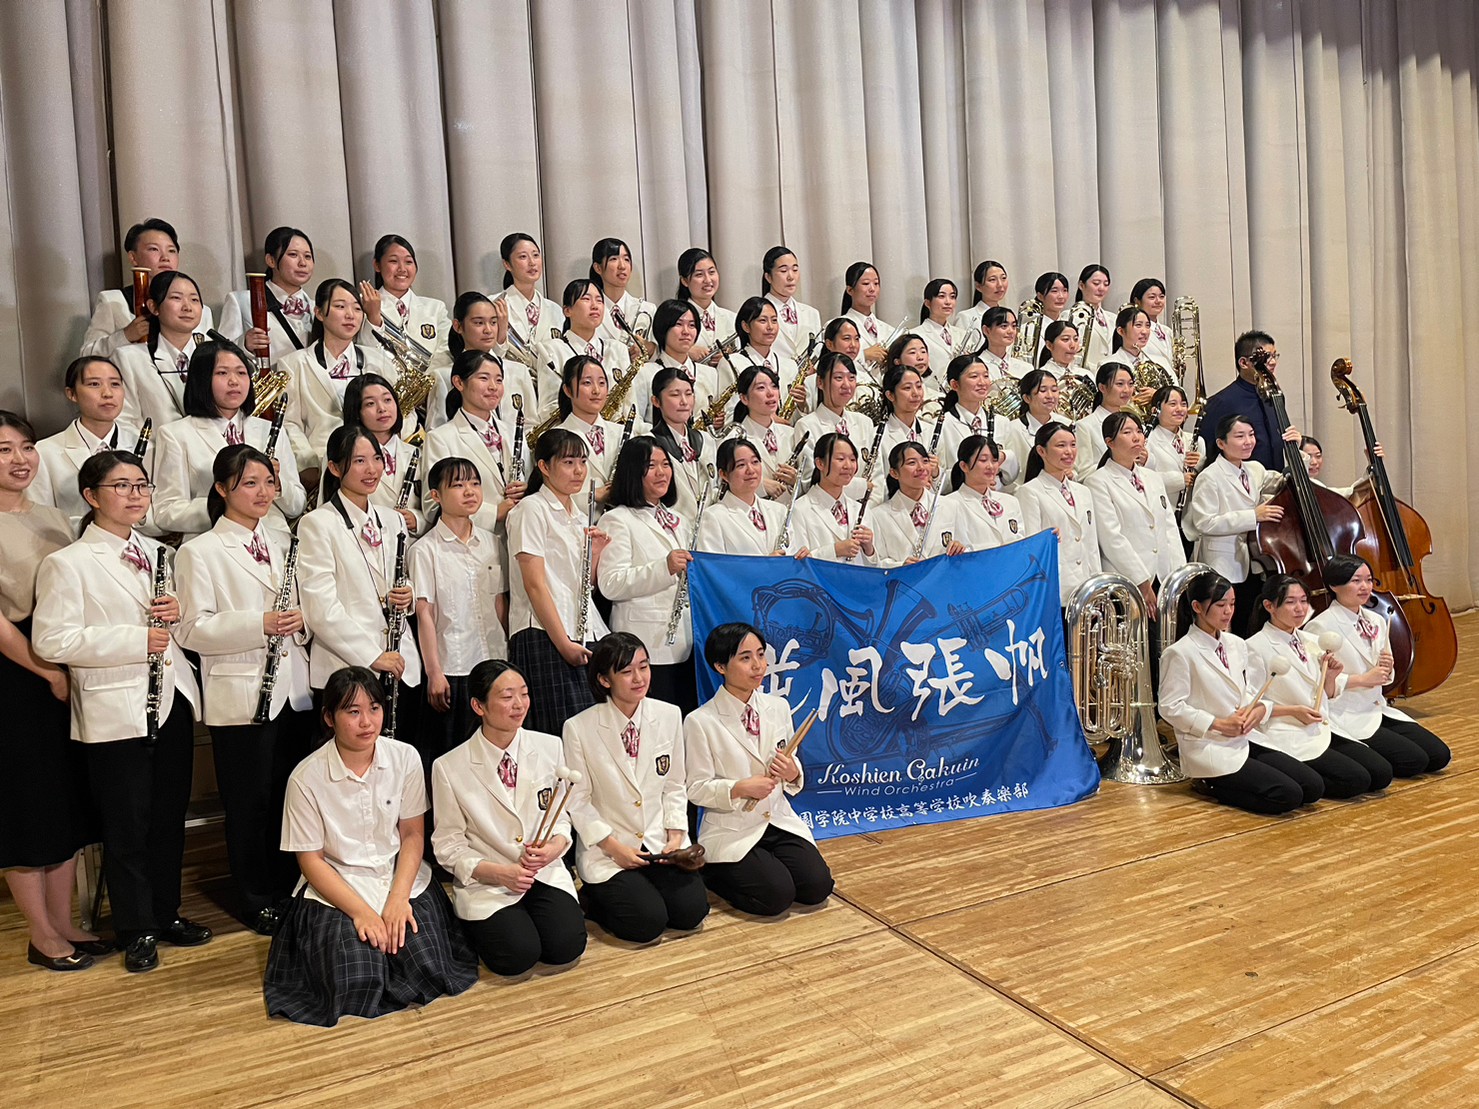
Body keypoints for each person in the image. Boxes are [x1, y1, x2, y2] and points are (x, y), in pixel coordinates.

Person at [33, 451, 207, 973]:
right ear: (91, 496)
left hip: (171, 699)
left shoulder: (160, 552)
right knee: (127, 824)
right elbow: (52, 639)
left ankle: (166, 913)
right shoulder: (68, 562)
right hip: (114, 708)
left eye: (142, 485)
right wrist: (135, 639)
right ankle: (136, 927)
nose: (136, 495)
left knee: (168, 818)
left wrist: (177, 614)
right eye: (122, 486)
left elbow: (178, 628)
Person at [265, 666, 477, 1025]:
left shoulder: (405, 757)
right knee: (357, 978)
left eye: (374, 708)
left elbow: (412, 835)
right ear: (329, 718)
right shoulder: (305, 777)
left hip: (398, 877)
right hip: (338, 885)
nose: (367, 722)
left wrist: (398, 898)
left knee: (425, 965)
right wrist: (362, 912)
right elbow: (311, 861)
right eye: (353, 711)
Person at [175, 445, 313, 936]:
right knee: (248, 803)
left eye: (268, 482)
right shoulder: (199, 551)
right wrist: (261, 623)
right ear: (222, 488)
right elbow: (191, 629)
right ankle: (256, 898)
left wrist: (301, 623)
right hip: (242, 692)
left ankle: (294, 886)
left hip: (294, 689)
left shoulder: (283, 541)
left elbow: (304, 608)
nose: (263, 492)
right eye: (249, 483)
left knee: (291, 796)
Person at [0, 412, 102, 971]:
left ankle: (66, 923)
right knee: (27, 807)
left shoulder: (53, 517)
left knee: (65, 801)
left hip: (64, 662)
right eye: (3, 450)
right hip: (16, 676)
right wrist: (46, 672)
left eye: (25, 447)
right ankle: (41, 936)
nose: (20, 459)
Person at [430, 659, 585, 976]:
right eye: (507, 696)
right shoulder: (449, 766)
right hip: (488, 880)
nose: (519, 704)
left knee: (565, 947)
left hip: (542, 872)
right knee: (516, 957)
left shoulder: (550, 746)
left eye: (524, 694)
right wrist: (498, 873)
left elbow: (561, 817)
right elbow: (448, 844)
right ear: (478, 706)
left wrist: (555, 846)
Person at [563, 634, 708, 942]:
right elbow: (578, 801)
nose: (639, 678)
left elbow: (674, 784)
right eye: (627, 671)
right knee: (646, 924)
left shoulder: (668, 714)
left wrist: (675, 836)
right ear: (604, 679)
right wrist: (614, 848)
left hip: (660, 844)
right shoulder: (579, 727)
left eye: (644, 666)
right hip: (610, 849)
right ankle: (593, 898)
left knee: (691, 913)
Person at [684, 623, 833, 917]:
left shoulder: (777, 707)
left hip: (776, 819)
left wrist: (792, 772)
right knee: (775, 898)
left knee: (817, 888)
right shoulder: (700, 721)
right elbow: (695, 788)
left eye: (761, 655)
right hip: (733, 826)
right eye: (745, 658)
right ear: (720, 666)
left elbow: (792, 766)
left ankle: (767, 865)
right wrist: (739, 788)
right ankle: (713, 872)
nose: (758, 665)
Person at [296, 426, 421, 735]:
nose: (371, 469)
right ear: (335, 468)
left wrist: (409, 595)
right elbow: (320, 606)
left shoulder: (393, 519)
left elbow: (402, 577)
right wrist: (371, 655)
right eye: (359, 461)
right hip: (346, 670)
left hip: (401, 665)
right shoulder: (317, 523)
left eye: (377, 459)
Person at [1157, 572, 1306, 814]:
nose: (1228, 612)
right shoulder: (1179, 652)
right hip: (1210, 744)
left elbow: (1245, 691)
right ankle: (1210, 785)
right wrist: (1217, 724)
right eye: (1220, 605)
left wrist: (1258, 709)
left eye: (1233, 604)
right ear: (1197, 607)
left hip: (1245, 737)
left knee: (1310, 786)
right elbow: (1170, 707)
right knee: (1288, 796)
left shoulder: (1236, 643)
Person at [1245, 575, 1393, 799]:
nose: (1300, 608)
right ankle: (1299, 775)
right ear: (1269, 606)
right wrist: (1292, 711)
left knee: (1381, 773)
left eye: (1304, 601)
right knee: (1355, 781)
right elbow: (1251, 702)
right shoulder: (1254, 647)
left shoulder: (1313, 641)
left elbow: (1328, 694)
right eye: (1290, 602)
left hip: (1323, 726)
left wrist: (1331, 678)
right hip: (1289, 729)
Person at [1307, 555, 1451, 777]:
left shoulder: (1377, 620)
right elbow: (1317, 683)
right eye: (1356, 581)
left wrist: (1388, 668)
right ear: (1334, 585)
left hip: (1376, 707)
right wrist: (1362, 680)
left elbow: (1384, 673)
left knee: (1439, 756)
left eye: (1369, 580)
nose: (1365, 587)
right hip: (1347, 712)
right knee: (1414, 761)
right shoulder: (1320, 626)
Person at [507, 429, 610, 736]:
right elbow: (534, 584)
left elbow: (584, 586)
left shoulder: (579, 516)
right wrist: (563, 643)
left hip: (583, 630)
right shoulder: (531, 509)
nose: (578, 470)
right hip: (544, 632)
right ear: (544, 466)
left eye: (582, 462)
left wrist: (596, 553)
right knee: (559, 733)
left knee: (591, 733)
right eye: (568, 462)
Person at [151, 340, 307, 543]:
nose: (234, 381)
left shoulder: (270, 430)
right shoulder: (175, 434)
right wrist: (229, 506)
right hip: (213, 545)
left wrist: (277, 483)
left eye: (241, 373)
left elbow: (297, 506)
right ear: (202, 379)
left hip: (274, 542)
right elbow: (166, 511)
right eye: (222, 373)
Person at [411, 456, 507, 762]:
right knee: (455, 758)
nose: (470, 491)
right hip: (454, 668)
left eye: (475, 483)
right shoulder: (424, 550)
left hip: (495, 662)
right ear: (436, 495)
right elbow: (425, 614)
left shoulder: (493, 543)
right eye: (458, 485)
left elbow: (500, 604)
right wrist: (434, 672)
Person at [596, 437, 699, 712]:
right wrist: (664, 568)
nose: (662, 472)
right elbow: (610, 583)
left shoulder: (680, 521)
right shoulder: (616, 519)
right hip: (645, 645)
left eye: (665, 464)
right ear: (633, 471)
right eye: (651, 466)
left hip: (686, 642)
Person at [1183, 413, 1289, 633]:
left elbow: (1286, 481)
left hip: (1253, 560)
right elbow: (1204, 522)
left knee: (1249, 622)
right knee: (1226, 626)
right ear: (1221, 443)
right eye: (1240, 436)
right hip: (1223, 561)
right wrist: (1252, 516)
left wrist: (1295, 449)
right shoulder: (1209, 476)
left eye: (1251, 435)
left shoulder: (1255, 469)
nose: (1248, 441)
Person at [278, 278, 395, 471]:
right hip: (321, 465)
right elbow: (289, 423)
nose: (350, 315)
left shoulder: (378, 360)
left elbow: (400, 412)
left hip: (374, 464)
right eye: (340, 306)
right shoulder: (293, 364)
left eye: (357, 308)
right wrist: (309, 464)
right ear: (319, 313)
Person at [31, 356, 154, 532]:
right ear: (71, 394)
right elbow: (40, 518)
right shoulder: (44, 452)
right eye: (94, 384)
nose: (108, 393)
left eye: (115, 384)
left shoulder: (148, 446)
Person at [1083, 412, 1186, 618]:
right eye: (1127, 432)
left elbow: (1169, 526)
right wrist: (1142, 581)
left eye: (1139, 431)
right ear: (1109, 442)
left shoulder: (1153, 477)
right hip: (1126, 580)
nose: (1136, 437)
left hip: (1162, 575)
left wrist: (1179, 574)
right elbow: (1111, 537)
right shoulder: (1098, 481)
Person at [82, 218, 215, 359]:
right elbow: (86, 355)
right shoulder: (113, 301)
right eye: (154, 249)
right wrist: (125, 335)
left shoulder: (200, 310)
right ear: (133, 257)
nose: (165, 257)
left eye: (171, 250)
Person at [423, 350, 523, 534]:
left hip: (518, 535)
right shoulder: (440, 438)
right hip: (471, 540)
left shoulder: (513, 432)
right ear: (459, 382)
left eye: (499, 380)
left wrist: (526, 490)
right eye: (484, 378)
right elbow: (432, 504)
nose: (493, 387)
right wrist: (494, 513)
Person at [1017, 423, 1101, 610]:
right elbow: (1032, 547)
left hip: (1086, 589)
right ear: (1041, 451)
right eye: (1061, 445)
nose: (1069, 451)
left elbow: (1091, 544)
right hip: (1055, 589)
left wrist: (1096, 585)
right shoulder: (1029, 491)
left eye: (1073, 445)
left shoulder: (1083, 491)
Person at [112, 270, 207, 430]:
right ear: (154, 307)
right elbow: (124, 422)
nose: (187, 307)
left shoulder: (216, 355)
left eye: (194, 300)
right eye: (176, 298)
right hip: (156, 445)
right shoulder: (129, 358)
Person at [535, 278, 631, 426]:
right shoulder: (551, 350)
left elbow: (630, 405)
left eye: (599, 300)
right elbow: (548, 408)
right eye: (586, 299)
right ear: (567, 310)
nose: (595, 306)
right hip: (571, 433)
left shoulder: (618, 349)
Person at [219, 226, 316, 366]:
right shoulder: (241, 301)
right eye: (293, 255)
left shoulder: (317, 308)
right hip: (266, 379)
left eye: (308, 256)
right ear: (271, 260)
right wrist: (244, 344)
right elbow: (220, 352)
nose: (303, 263)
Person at [342, 374, 424, 536]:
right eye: (370, 403)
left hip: (411, 544)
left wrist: (417, 520)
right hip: (359, 541)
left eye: (387, 400)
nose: (382, 409)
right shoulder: (343, 453)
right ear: (357, 412)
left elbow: (436, 507)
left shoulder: (418, 453)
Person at [697, 438, 807, 558]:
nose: (751, 470)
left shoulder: (780, 511)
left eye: (755, 462)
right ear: (724, 474)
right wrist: (766, 564)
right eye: (741, 465)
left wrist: (801, 557)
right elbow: (713, 566)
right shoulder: (713, 517)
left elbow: (792, 552)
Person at [359, 234, 451, 372]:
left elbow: (446, 352)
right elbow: (365, 352)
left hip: (432, 383)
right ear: (377, 265)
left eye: (408, 262)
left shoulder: (435, 308)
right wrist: (373, 317)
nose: (402, 269)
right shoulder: (363, 305)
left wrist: (428, 380)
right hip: (382, 383)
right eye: (393, 261)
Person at [1195, 330, 1286, 471]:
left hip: (1275, 479)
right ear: (1243, 363)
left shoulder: (1274, 395)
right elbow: (1207, 451)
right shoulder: (1221, 402)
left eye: (1274, 356)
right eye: (1266, 357)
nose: (1273, 362)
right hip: (1237, 480)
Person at [793, 350, 875, 502]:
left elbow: (878, 479)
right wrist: (862, 487)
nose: (846, 385)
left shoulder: (865, 423)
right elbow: (811, 481)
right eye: (838, 378)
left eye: (851, 378)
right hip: (822, 507)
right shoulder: (806, 425)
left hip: (865, 508)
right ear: (820, 382)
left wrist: (865, 510)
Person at [871, 441, 963, 567]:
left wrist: (960, 548)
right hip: (904, 579)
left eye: (925, 461)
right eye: (912, 463)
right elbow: (876, 563)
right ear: (894, 473)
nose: (921, 468)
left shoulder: (951, 505)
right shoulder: (878, 515)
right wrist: (900, 566)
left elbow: (969, 548)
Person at [792, 433, 875, 564]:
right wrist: (834, 550)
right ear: (820, 463)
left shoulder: (860, 509)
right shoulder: (800, 509)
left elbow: (874, 567)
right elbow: (797, 560)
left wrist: (869, 549)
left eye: (852, 459)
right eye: (840, 459)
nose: (848, 466)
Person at [551, 353, 628, 496]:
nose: (596, 390)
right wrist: (593, 496)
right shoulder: (554, 438)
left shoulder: (622, 432)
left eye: (602, 383)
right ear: (567, 390)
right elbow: (550, 493)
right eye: (587, 383)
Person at [649, 366, 716, 521]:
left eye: (689, 394)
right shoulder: (650, 443)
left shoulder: (705, 439)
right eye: (675, 395)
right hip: (672, 525)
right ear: (656, 401)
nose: (684, 402)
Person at [726, 365, 800, 499]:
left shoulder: (791, 433)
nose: (770, 393)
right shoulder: (733, 438)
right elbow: (723, 486)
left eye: (774, 386)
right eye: (761, 388)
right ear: (744, 398)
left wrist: (796, 481)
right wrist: (759, 486)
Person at [944, 434, 1026, 551]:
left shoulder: (1011, 501)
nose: (991, 466)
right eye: (983, 460)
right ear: (964, 466)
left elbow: (1022, 545)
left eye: (994, 460)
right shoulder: (948, 505)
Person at [590, 237, 657, 355]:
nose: (622, 266)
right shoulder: (589, 310)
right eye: (614, 259)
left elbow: (659, 352)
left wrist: (649, 348)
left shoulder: (646, 309)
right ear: (598, 268)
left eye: (626, 259)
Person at [1072, 361, 1137, 482]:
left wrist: (1146, 459)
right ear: (1102, 387)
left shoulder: (1134, 423)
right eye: (1120, 384)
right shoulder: (1085, 426)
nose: (1127, 390)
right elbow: (1081, 474)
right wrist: (1117, 461)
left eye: (1130, 384)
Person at [876, 362, 942, 479]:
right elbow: (878, 482)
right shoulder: (877, 436)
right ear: (890, 395)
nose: (916, 393)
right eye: (907, 388)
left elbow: (946, 481)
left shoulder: (932, 430)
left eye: (919, 386)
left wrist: (936, 473)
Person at [761, 246, 823, 362]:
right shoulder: (756, 313)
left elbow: (818, 351)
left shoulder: (811, 313)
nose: (791, 277)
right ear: (768, 277)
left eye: (795, 270)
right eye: (783, 271)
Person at [675, 247, 736, 365]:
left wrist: (731, 356)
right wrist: (686, 351)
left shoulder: (732, 318)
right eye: (699, 275)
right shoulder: (673, 318)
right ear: (684, 281)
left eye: (712, 272)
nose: (708, 280)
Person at [1145, 384, 1202, 500]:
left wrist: (1201, 464)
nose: (1180, 409)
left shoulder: (1197, 441)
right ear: (1155, 410)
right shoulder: (1147, 441)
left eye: (1183, 404)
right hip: (1161, 505)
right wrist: (1179, 480)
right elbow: (1143, 479)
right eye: (1172, 404)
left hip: (1191, 506)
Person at [840, 261, 889, 368]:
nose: (872, 289)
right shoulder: (836, 326)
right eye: (866, 284)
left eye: (876, 283)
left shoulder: (888, 330)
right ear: (850, 290)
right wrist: (864, 355)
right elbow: (832, 363)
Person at [914, 278, 965, 373]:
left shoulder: (963, 334)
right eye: (941, 296)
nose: (948, 302)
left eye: (952, 297)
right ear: (927, 303)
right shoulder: (915, 334)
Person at [1072, 264, 1114, 370]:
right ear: (1081, 285)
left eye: (1106, 284)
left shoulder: (1113, 318)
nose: (1101, 288)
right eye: (1096, 283)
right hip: (1085, 373)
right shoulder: (1072, 315)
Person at [1130, 278, 1175, 372]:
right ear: (1137, 301)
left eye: (1161, 296)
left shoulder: (1168, 331)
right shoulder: (1132, 331)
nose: (1158, 301)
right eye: (1152, 297)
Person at [954, 259, 1009, 334]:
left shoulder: (1009, 316)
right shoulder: (966, 317)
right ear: (978, 286)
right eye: (992, 280)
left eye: (1003, 278)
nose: (1000, 284)